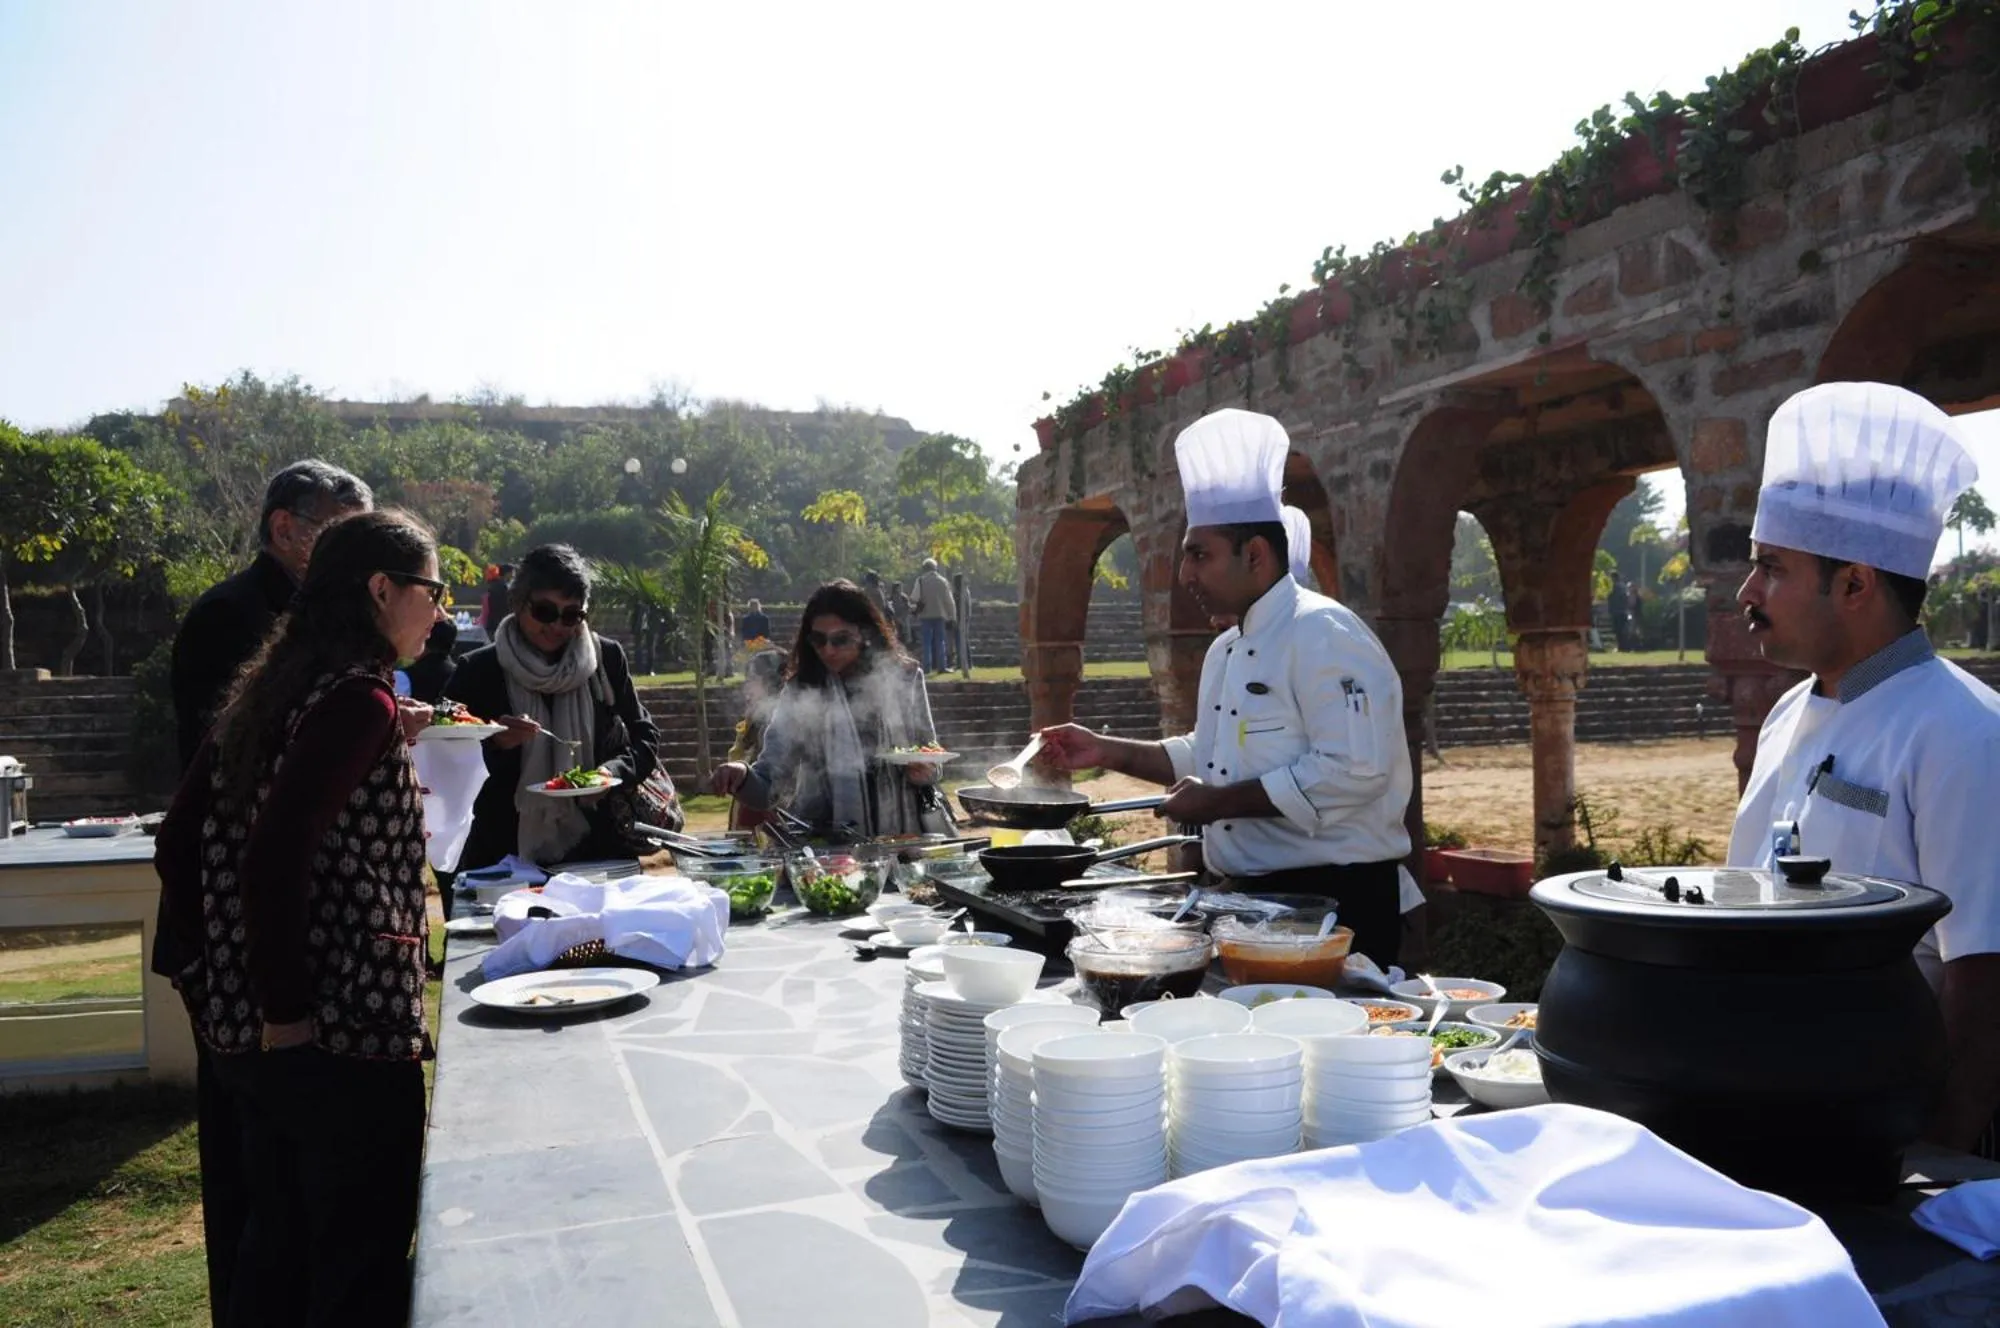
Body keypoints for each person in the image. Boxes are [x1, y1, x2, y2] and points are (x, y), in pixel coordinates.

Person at [153, 509, 445, 1327]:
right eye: (432, 589)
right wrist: (287, 1014)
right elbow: (274, 855)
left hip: (253, 1032)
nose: (441, 611)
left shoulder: (275, 686)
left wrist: (219, 985)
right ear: (383, 589)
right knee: (360, 1254)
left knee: (276, 1249)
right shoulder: (359, 703)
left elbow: (178, 843)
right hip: (338, 1030)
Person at [1725, 381, 2000, 1153]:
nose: (1748, 591)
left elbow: (1985, 979)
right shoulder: (1789, 713)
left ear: (1855, 583)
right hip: (1775, 1104)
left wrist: (1927, 1162)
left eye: (1772, 567)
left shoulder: (1964, 734)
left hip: (1893, 1135)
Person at [1037, 409, 1413, 967]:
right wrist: (1108, 750)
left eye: (1199, 555)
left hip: (1337, 902)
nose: (1185, 575)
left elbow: (1352, 770)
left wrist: (1216, 803)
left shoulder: (1324, 633)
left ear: (1255, 554)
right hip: (1253, 902)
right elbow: (1213, 753)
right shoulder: (1226, 649)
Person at [443, 545, 663, 871]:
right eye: (544, 611)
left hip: (599, 848)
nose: (557, 626)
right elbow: (445, 761)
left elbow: (645, 738)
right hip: (505, 855)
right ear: (518, 604)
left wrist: (609, 773)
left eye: (571, 615)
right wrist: (495, 742)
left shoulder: (606, 659)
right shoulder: (478, 669)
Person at [171, 460, 374, 771]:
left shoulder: (325, 610)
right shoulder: (227, 613)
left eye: (365, 541)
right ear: (284, 530)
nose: (358, 556)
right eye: (341, 537)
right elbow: (238, 738)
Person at [711, 579, 945, 837]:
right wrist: (741, 774)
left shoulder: (906, 677)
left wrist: (926, 771)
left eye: (840, 639)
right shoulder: (803, 689)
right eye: (818, 640)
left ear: (865, 635)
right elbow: (770, 779)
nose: (828, 650)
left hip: (903, 842)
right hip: (828, 849)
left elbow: (931, 754)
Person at [726, 648, 790, 832]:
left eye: (752, 679)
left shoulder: (775, 722)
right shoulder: (757, 718)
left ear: (769, 681)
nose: (747, 687)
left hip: (769, 825)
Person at [912, 557, 956, 675]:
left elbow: (914, 598)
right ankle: (942, 666)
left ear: (924, 568)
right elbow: (949, 601)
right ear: (935, 568)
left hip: (925, 615)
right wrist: (952, 616)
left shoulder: (920, 580)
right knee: (940, 641)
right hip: (940, 615)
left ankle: (927, 667)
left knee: (926, 642)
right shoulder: (943, 581)